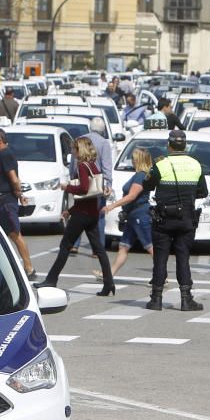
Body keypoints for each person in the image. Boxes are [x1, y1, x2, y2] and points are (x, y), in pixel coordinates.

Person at [36, 137, 115, 295]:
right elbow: (89, 196)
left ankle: (51, 279)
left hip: (82, 215)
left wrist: (67, 188)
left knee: (65, 246)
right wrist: (70, 210)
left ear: (80, 150)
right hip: (91, 212)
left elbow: (84, 189)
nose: (72, 152)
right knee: (99, 249)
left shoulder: (82, 167)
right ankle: (108, 283)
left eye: (74, 149)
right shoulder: (93, 166)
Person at [142, 130, 209, 311]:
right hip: (186, 218)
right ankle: (186, 299)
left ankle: (156, 299)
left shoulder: (161, 165)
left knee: (160, 258)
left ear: (169, 145)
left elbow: (146, 185)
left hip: (163, 218)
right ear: (185, 145)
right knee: (183, 258)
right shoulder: (195, 165)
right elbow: (203, 191)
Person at [0, 128, 35, 278]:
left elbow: (13, 178)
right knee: (0, 234)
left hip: (6, 202)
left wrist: (19, 194)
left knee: (14, 233)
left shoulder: (6, 154)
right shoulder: (1, 155)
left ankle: (29, 268)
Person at [99, 147, 154, 280]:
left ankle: (161, 277)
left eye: (134, 158)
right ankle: (108, 274)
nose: (132, 161)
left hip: (140, 215)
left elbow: (132, 196)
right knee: (123, 246)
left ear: (138, 160)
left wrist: (112, 206)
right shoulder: (138, 175)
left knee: (150, 246)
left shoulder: (141, 175)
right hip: (132, 215)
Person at [72, 117, 113, 253]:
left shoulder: (80, 140)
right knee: (98, 215)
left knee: (78, 211)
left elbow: (73, 164)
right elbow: (106, 166)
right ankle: (98, 249)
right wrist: (108, 184)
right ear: (103, 130)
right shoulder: (104, 143)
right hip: (96, 183)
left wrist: (73, 179)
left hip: (81, 180)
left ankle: (74, 244)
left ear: (90, 127)